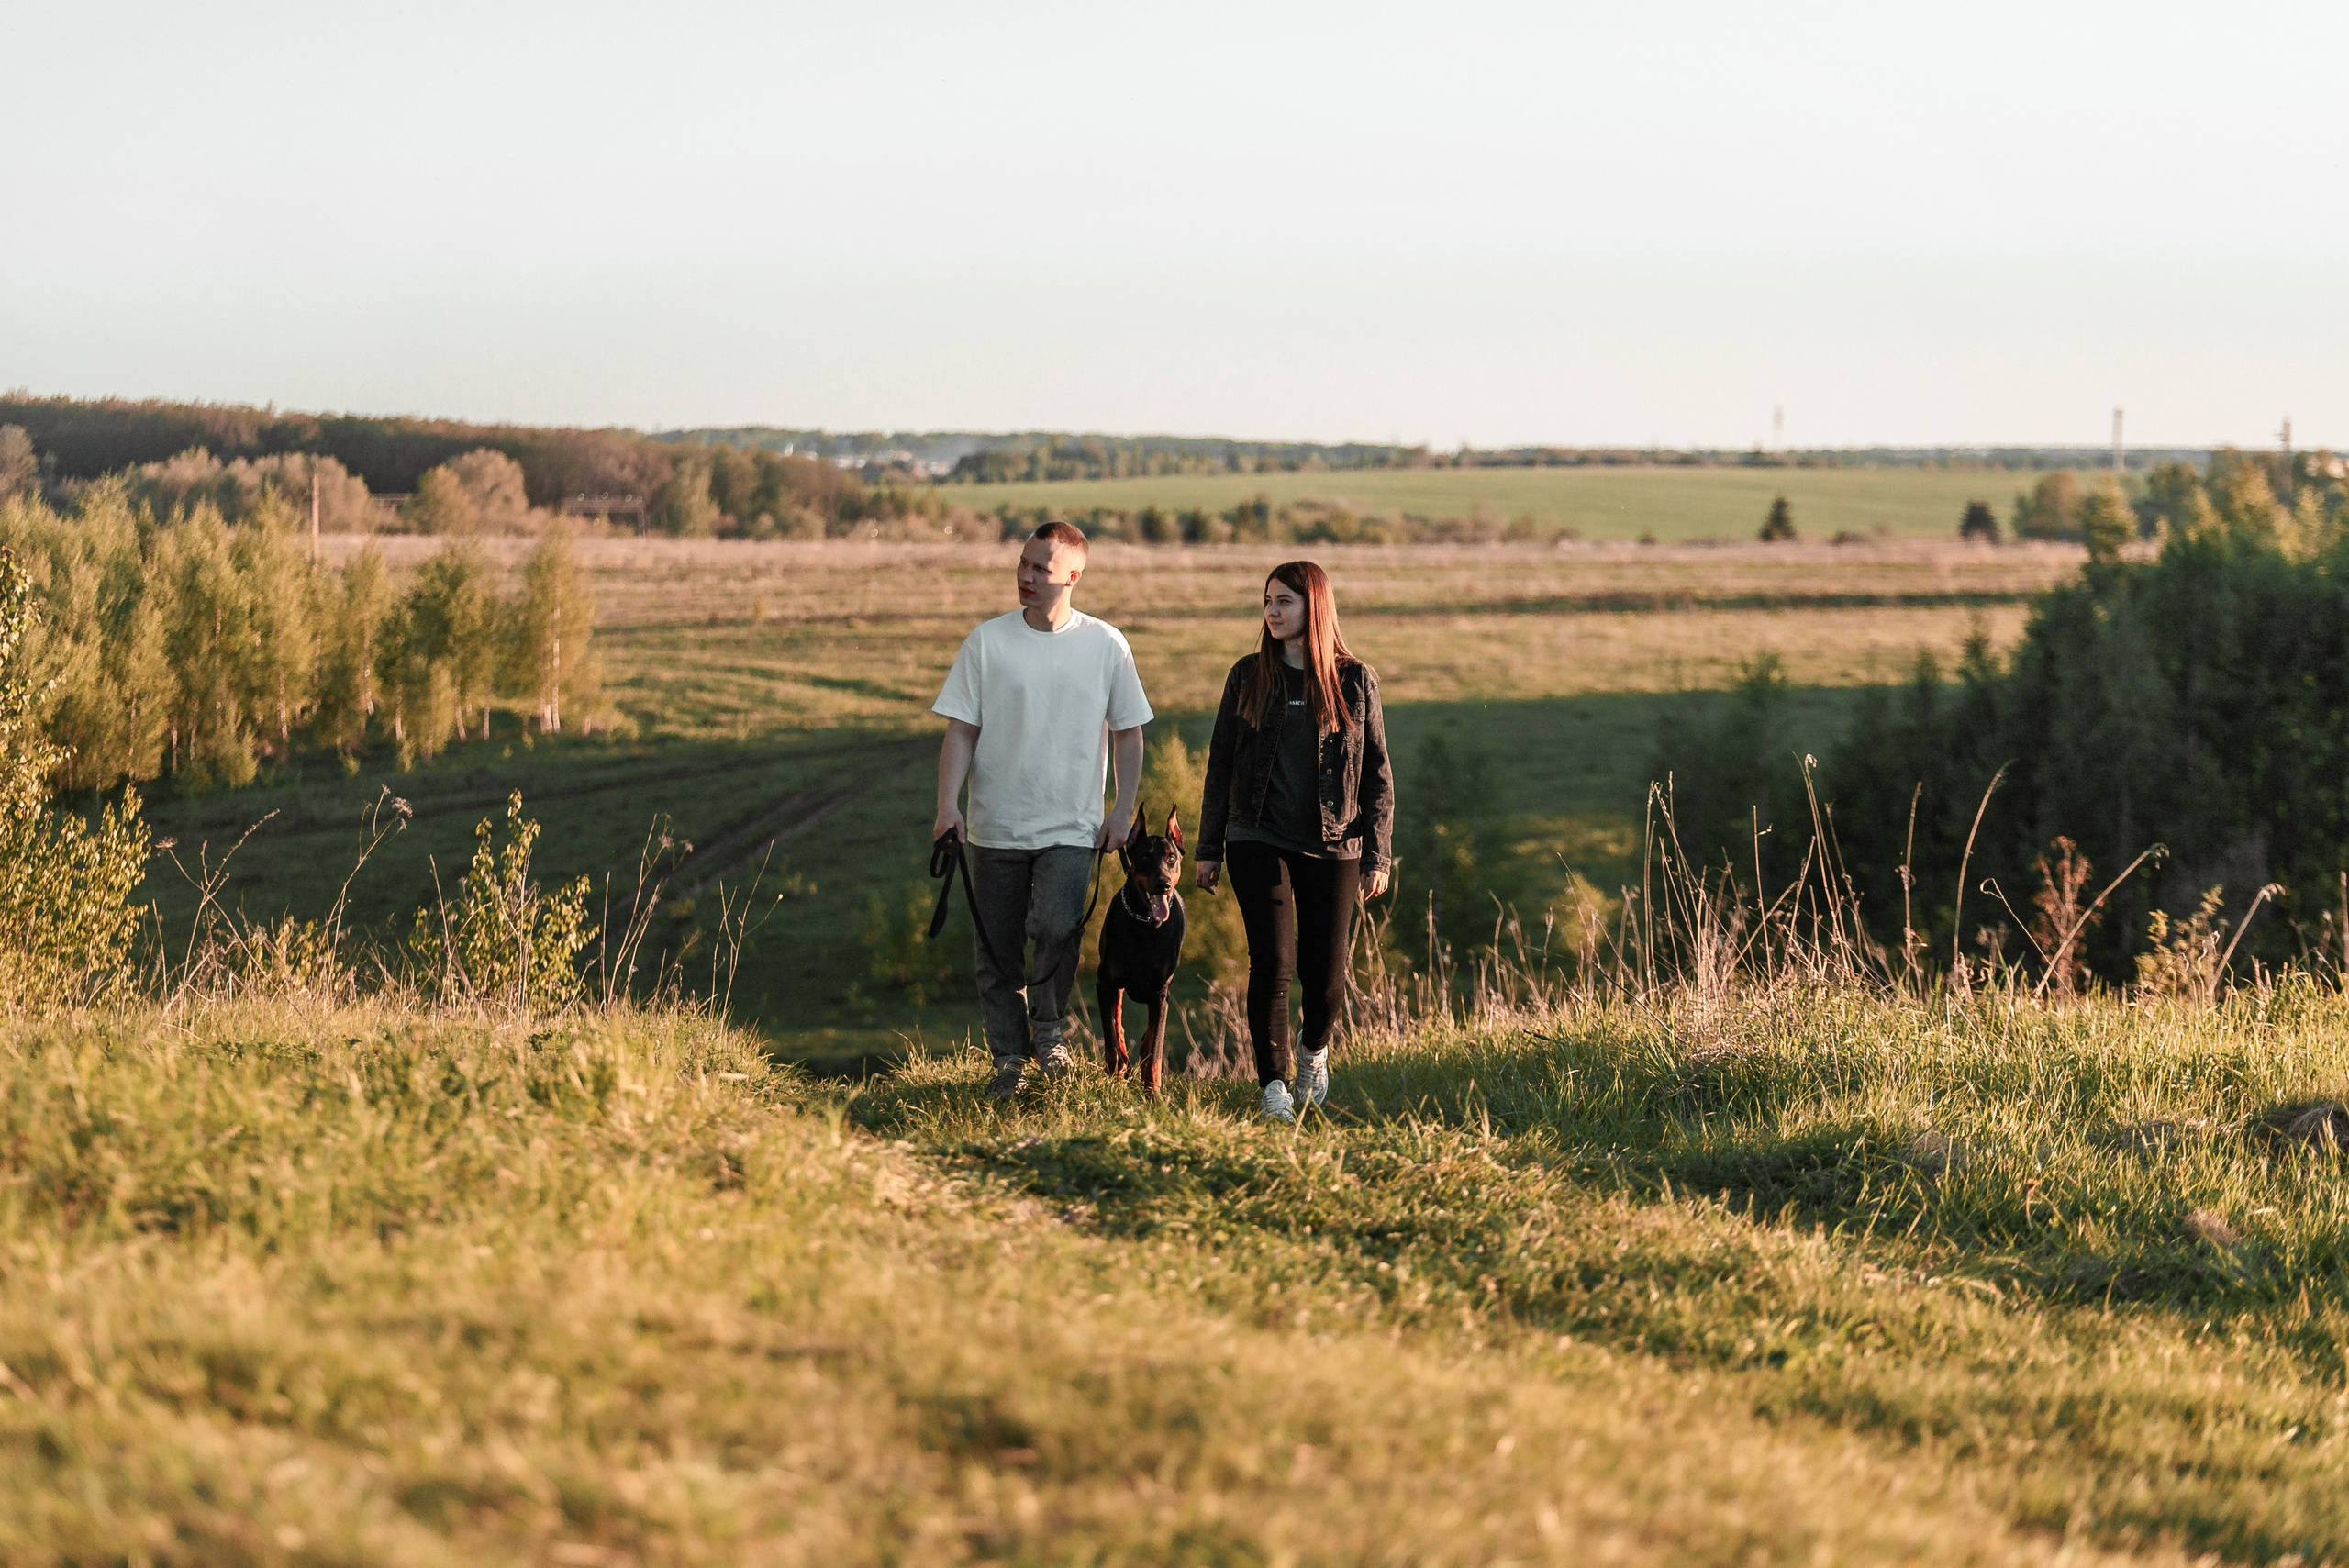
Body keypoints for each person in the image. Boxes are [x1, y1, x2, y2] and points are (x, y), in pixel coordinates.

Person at [933, 521, 1152, 1101]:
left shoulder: (1107, 645)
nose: (1026, 577)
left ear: (1072, 577)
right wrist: (946, 807)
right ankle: (1009, 1059)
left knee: (1058, 927)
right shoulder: (986, 642)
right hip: (994, 826)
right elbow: (960, 732)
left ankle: (1049, 1036)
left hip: (1074, 827)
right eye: (1023, 564)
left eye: (1041, 569)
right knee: (997, 948)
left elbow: (1129, 736)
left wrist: (1123, 811)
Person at [1196, 560, 1392, 1120]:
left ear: (1315, 606)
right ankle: (1273, 1086)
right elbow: (1221, 765)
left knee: (1326, 973)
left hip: (1337, 845)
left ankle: (1313, 1053)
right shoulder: (1247, 676)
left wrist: (1377, 853)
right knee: (1273, 963)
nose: (1272, 612)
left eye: (1283, 601)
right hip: (1258, 837)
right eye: (1267, 602)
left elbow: (1378, 772)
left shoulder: (1355, 681)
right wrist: (1209, 848)